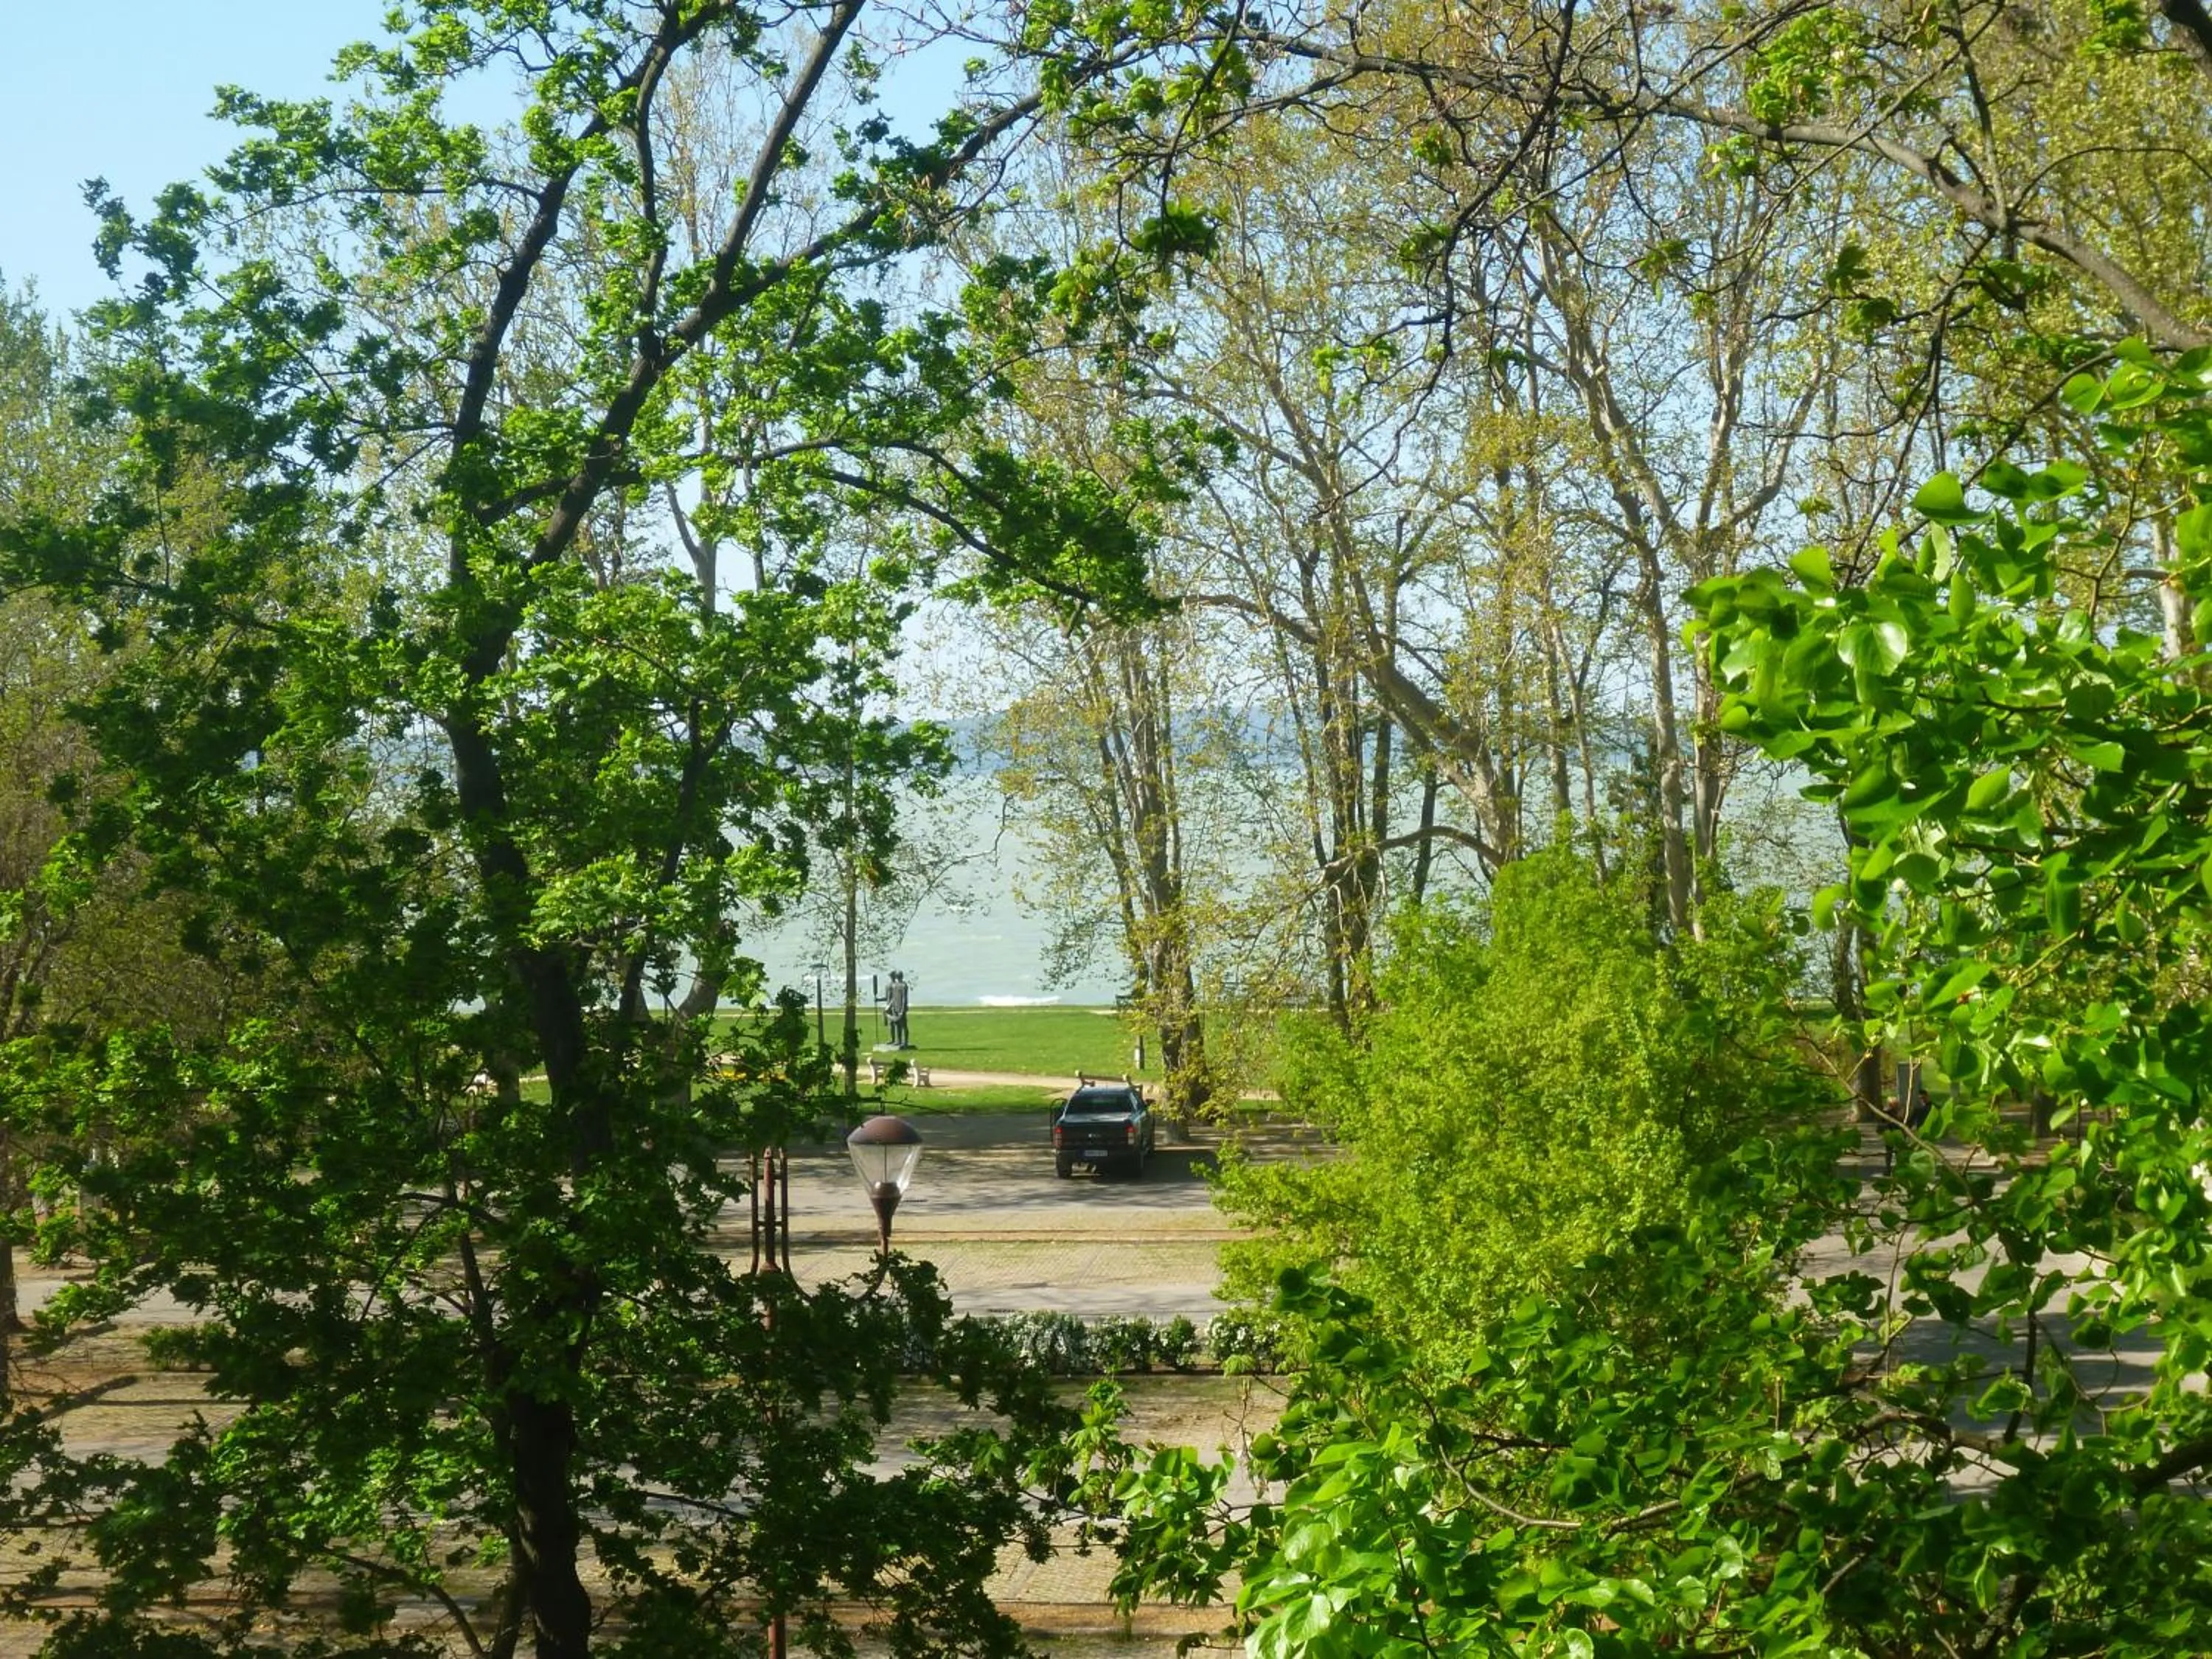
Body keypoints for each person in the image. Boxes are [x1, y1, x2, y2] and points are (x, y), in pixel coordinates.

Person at [886, 970, 911, 1048]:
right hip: (896, 1007)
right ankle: (899, 1041)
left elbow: (904, 998)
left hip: (900, 1008)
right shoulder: (894, 985)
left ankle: (905, 1042)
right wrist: (891, 1007)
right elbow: (893, 998)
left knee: (904, 1025)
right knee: (897, 1025)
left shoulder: (904, 985)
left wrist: (903, 1009)